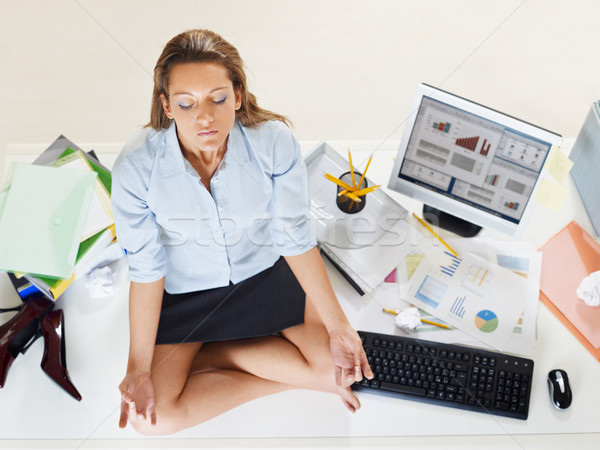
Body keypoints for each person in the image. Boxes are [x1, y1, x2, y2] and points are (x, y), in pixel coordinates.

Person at [111, 29, 373, 436]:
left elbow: (294, 237)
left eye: (217, 98)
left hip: (263, 276)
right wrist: (138, 370)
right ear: (166, 105)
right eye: (186, 103)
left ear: (236, 94)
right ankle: (250, 360)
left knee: (338, 369)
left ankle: (220, 350)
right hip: (185, 294)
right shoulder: (134, 167)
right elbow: (146, 269)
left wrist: (341, 327)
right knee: (152, 419)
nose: (204, 117)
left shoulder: (273, 142)